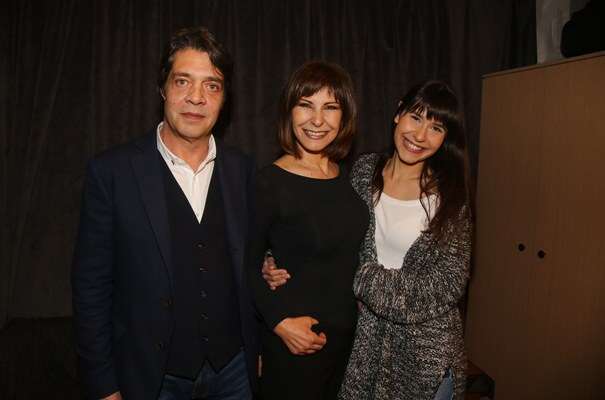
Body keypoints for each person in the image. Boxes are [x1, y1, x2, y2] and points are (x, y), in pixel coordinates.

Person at [72, 27, 259, 400]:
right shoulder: (112, 172)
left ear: (224, 98)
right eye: (183, 81)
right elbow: (90, 288)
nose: (196, 98)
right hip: (152, 379)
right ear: (162, 88)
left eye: (211, 86)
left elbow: (253, 260)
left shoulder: (244, 170)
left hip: (234, 372)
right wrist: (104, 387)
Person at [264, 80, 472, 400]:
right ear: (398, 113)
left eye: (436, 128)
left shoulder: (451, 197)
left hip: (425, 355)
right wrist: (274, 255)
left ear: (446, 138)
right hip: (364, 348)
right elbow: (325, 226)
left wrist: (361, 278)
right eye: (415, 117)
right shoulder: (364, 170)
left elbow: (449, 283)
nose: (420, 135)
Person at [247, 61, 369, 400]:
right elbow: (243, 266)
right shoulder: (268, 183)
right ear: (289, 111)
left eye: (330, 107)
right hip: (295, 345)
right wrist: (280, 323)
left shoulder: (345, 177)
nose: (317, 120)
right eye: (306, 105)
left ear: (344, 117)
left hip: (345, 344)